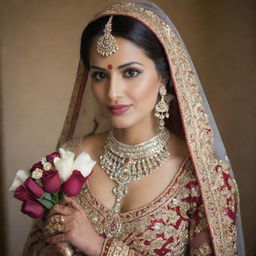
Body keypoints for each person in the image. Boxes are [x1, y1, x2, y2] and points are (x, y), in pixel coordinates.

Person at [22, 1, 245, 255]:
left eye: (130, 72)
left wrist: (99, 247)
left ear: (164, 76)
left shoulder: (201, 177)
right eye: (100, 75)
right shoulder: (69, 158)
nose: (112, 92)